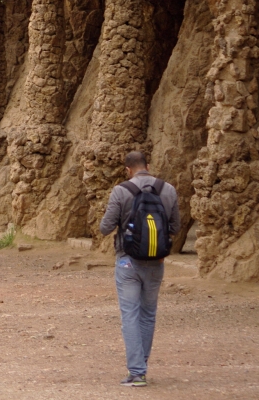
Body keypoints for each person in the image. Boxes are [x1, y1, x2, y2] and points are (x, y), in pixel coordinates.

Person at [99, 151, 180, 388]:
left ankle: (137, 372)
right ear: (148, 166)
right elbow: (175, 226)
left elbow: (105, 227)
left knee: (130, 315)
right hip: (156, 262)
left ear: (128, 169)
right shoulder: (168, 189)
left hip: (128, 262)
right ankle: (141, 367)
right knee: (148, 314)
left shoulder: (121, 191)